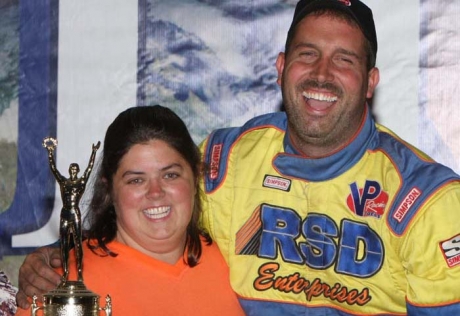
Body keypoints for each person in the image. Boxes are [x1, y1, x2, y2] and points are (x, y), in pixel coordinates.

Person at [17, 0, 460, 315]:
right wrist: (61, 257)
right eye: (308, 55)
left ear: (370, 81)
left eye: (343, 60)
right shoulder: (227, 159)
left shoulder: (427, 199)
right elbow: (152, 210)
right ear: (282, 66)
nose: (322, 74)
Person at [15, 105, 244, 315]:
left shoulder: (233, 263)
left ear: (196, 176)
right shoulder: (61, 287)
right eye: (136, 180)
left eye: (170, 175)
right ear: (109, 189)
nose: (155, 192)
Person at [43, 137, 100, 284]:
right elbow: (54, 169)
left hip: (74, 213)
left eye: (75, 169)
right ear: (69, 170)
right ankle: (66, 272)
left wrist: (93, 152)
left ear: (77, 170)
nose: (73, 171)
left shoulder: (81, 183)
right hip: (65, 213)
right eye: (71, 169)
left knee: (77, 243)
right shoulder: (64, 182)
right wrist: (50, 153)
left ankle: (80, 271)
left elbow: (89, 169)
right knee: (64, 242)